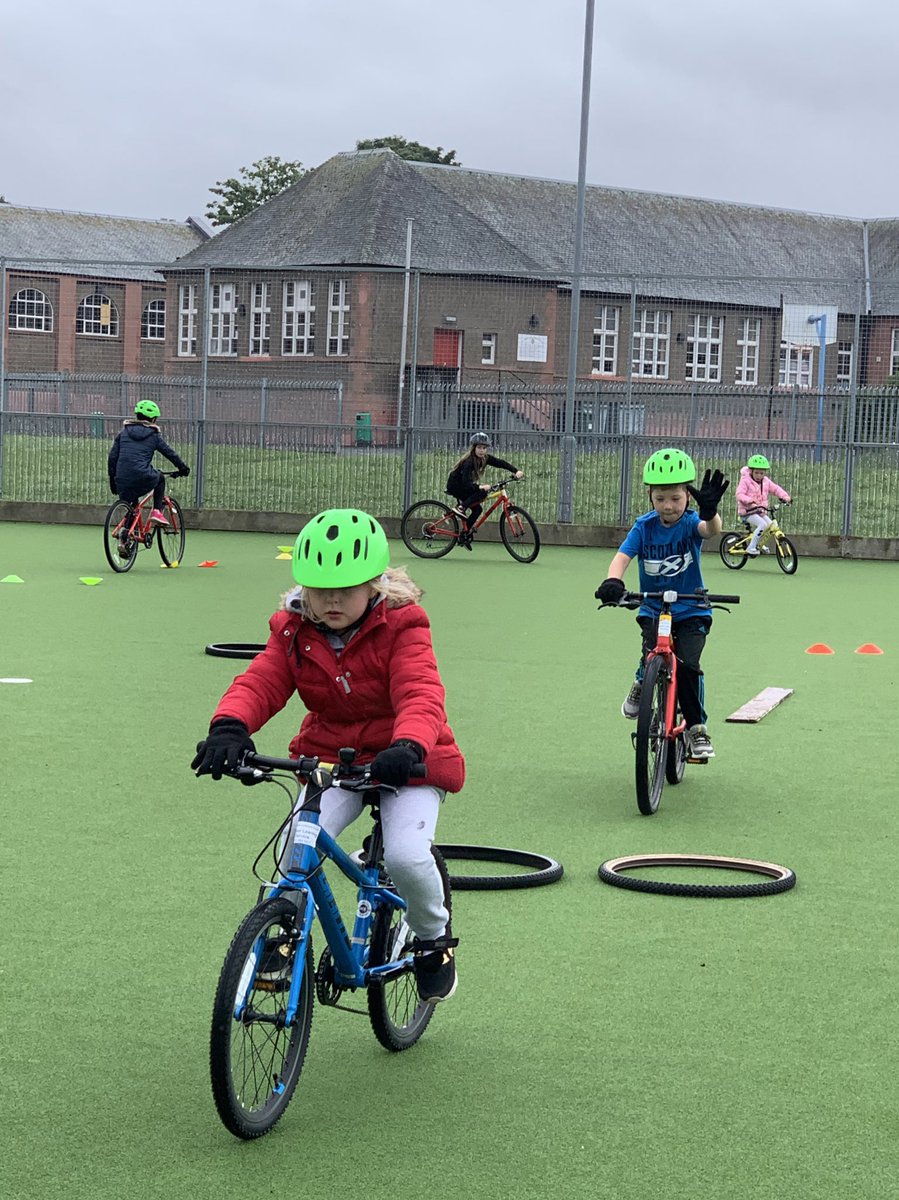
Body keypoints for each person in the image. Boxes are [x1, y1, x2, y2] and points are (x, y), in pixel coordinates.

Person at [191, 508, 465, 1003]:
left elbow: (420, 693)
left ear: (374, 585)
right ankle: (282, 933)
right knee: (295, 847)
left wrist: (408, 746)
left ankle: (432, 940)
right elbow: (261, 681)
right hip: (332, 761)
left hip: (410, 760)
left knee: (405, 855)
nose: (332, 600)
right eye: (320, 589)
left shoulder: (403, 625)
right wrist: (228, 726)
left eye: (346, 588)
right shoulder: (294, 631)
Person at [594, 448, 729, 761]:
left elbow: (710, 531)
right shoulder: (644, 526)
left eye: (675, 498)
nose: (668, 506)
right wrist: (614, 581)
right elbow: (623, 556)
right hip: (654, 606)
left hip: (692, 608)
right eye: (660, 499)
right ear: (650, 497)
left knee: (687, 666)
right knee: (651, 648)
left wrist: (710, 513)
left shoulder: (691, 522)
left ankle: (696, 729)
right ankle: (643, 679)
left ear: (688, 497)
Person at [108, 400, 190, 526]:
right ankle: (156, 511)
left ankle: (124, 538)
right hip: (142, 476)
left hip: (122, 479)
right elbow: (170, 453)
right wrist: (183, 468)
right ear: (153, 419)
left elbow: (112, 458)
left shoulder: (123, 434)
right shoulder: (154, 436)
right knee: (160, 478)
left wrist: (113, 481)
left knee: (132, 508)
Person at [445, 432, 523, 550]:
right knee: (481, 493)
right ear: (474, 448)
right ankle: (461, 508)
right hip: (456, 486)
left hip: (465, 485)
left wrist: (515, 471)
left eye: (484, 448)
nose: (482, 450)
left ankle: (464, 534)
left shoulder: (485, 458)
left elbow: (500, 463)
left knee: (477, 509)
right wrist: (480, 487)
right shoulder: (469, 462)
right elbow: (466, 483)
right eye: (479, 448)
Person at [735, 454, 791, 556]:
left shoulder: (765, 481)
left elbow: (775, 489)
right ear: (751, 471)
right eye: (756, 472)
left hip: (760, 511)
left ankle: (757, 543)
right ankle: (751, 548)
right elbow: (739, 494)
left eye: (762, 473)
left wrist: (785, 497)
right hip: (747, 512)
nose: (759, 476)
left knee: (772, 525)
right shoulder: (745, 480)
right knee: (763, 525)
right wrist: (750, 501)